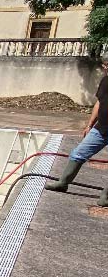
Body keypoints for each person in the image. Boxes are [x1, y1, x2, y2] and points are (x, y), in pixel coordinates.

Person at [46, 57, 108, 206]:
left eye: (107, 65)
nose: (105, 68)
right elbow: (99, 102)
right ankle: (63, 183)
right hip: (101, 129)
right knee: (78, 153)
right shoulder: (106, 81)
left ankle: (105, 197)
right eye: (105, 65)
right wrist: (90, 124)